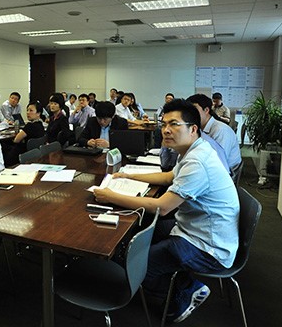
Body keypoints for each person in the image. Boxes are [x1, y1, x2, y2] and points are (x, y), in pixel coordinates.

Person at [93, 99, 239, 323]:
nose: (166, 130)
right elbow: (169, 176)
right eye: (164, 124)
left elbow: (162, 207)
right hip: (196, 227)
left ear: (193, 129)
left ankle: (186, 290)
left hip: (209, 246)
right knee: (145, 231)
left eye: (174, 124)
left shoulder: (197, 162)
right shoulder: (194, 149)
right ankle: (157, 271)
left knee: (140, 267)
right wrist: (129, 175)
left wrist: (110, 196)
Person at [187, 94, 241, 170]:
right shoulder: (199, 127)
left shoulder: (220, 130)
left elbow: (218, 162)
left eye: (194, 109)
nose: (189, 114)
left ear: (206, 110)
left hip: (225, 171)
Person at [3, 101, 46, 166]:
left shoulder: (30, 126)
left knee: (3, 144)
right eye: (27, 110)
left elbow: (16, 140)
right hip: (34, 153)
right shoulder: (40, 125)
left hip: (22, 153)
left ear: (38, 113)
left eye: (31, 110)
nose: (28, 112)